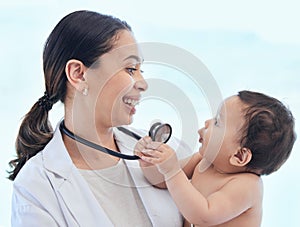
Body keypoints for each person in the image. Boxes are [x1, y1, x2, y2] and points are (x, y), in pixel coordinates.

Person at [8, 10, 192, 226]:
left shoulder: (167, 154)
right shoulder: (36, 186)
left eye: (141, 70)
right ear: (79, 74)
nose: (143, 83)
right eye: (131, 69)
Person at [135, 90, 296, 227]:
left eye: (218, 122)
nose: (207, 122)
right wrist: (149, 159)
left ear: (239, 156)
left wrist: (172, 170)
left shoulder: (247, 187)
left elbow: (202, 215)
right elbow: (161, 181)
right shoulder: (204, 161)